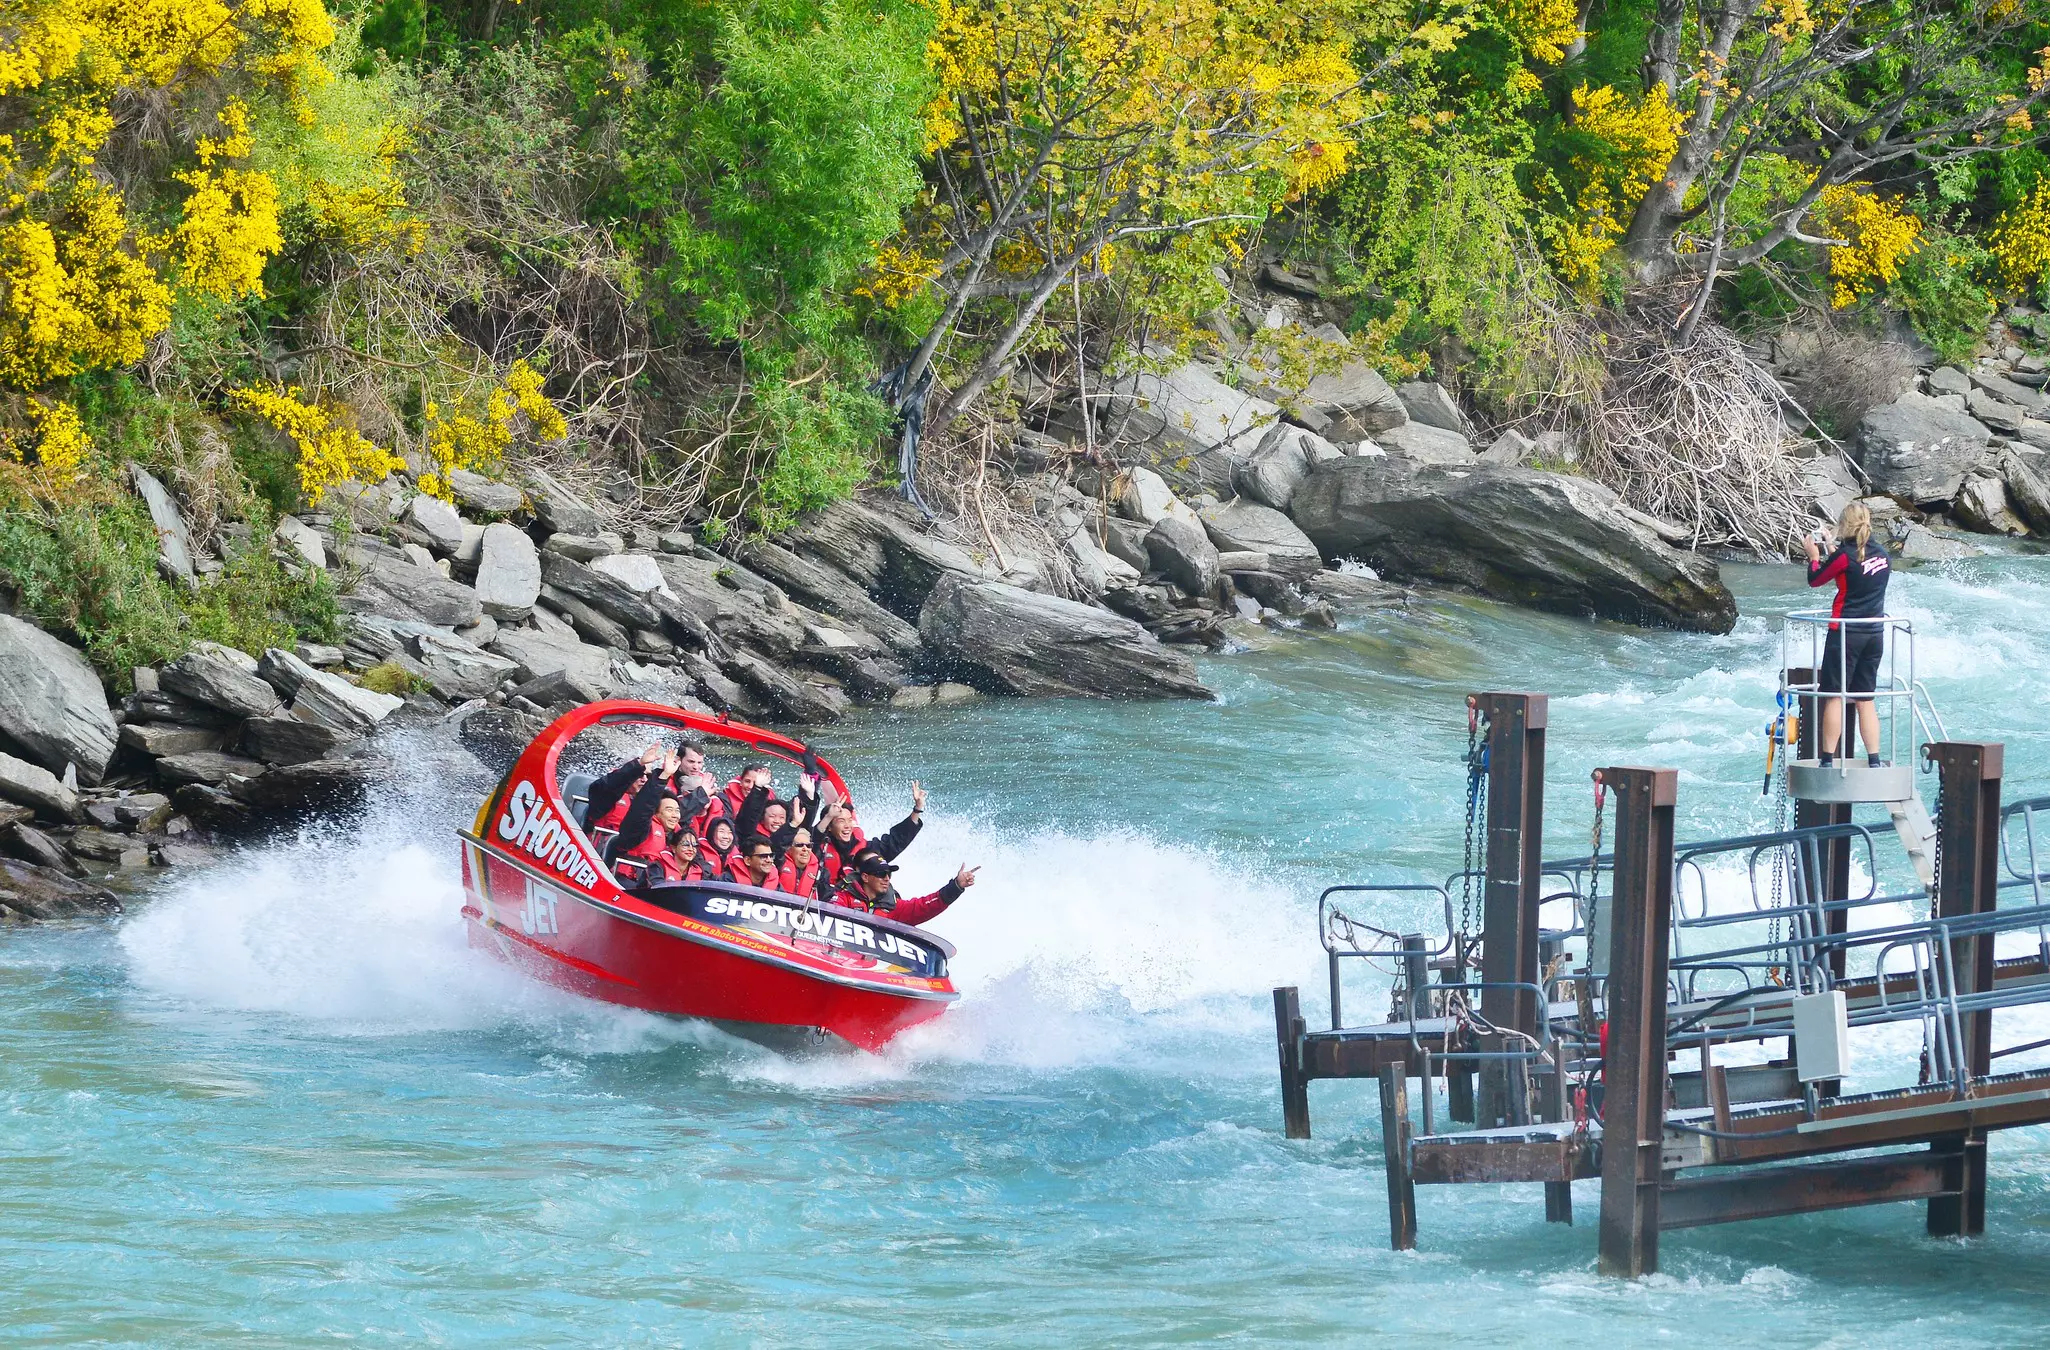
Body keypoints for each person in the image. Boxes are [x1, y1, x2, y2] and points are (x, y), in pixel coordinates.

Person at [1803, 502, 1893, 767]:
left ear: (1845, 525)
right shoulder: (1883, 555)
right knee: (1865, 699)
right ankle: (1874, 759)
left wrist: (1813, 556)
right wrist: (1832, 546)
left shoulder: (1845, 556)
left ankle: (1828, 759)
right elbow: (1850, 569)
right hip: (1874, 634)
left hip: (1845, 633)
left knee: (1834, 695)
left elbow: (1817, 579)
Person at [606, 758, 707, 885]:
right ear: (656, 813)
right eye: (669, 810)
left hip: (662, 887)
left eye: (677, 811)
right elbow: (643, 808)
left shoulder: (679, 836)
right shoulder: (641, 829)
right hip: (631, 882)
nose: (675, 815)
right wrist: (663, 776)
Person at [818, 783, 927, 888]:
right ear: (829, 826)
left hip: (851, 903)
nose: (847, 826)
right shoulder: (817, 846)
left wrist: (917, 810)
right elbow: (810, 837)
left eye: (850, 820)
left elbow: (896, 841)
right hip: (820, 902)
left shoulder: (866, 849)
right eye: (841, 821)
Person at [832, 852, 978, 927]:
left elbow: (926, 906)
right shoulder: (843, 897)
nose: (887, 879)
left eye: (888, 874)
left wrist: (956, 886)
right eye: (881, 874)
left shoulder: (893, 906)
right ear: (865, 877)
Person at [778, 827, 823, 899]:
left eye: (808, 846)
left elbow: (826, 898)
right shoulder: (779, 863)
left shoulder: (821, 872)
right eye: (799, 845)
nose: (805, 849)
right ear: (789, 848)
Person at [699, 817, 743, 882]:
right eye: (721, 831)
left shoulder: (737, 857)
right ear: (712, 832)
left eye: (730, 832)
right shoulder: (699, 850)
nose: (726, 837)